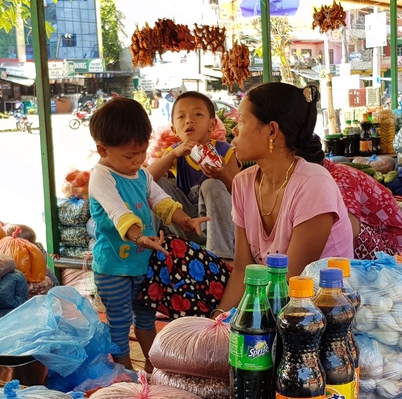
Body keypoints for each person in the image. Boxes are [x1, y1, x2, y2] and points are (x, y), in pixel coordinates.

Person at [211, 83, 354, 316]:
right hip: (272, 307)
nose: (234, 131)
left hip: (320, 315)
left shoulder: (313, 183)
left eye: (242, 121)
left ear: (271, 131)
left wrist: (243, 326)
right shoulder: (243, 182)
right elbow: (242, 270)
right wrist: (219, 318)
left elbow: (289, 284)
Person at [88, 97, 207, 371]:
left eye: (142, 153)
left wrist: (185, 220)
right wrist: (140, 238)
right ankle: (126, 373)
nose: (138, 161)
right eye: (130, 156)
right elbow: (119, 213)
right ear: (102, 150)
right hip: (113, 267)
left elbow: (162, 201)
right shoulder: (101, 176)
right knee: (119, 322)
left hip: (144, 263)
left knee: (145, 318)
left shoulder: (141, 174)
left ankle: (153, 368)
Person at [147, 91, 240, 260]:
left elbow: (241, 193)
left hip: (215, 225)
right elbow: (144, 180)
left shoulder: (223, 151)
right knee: (155, 183)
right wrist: (173, 154)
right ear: (174, 129)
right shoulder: (176, 152)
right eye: (181, 117)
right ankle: (154, 242)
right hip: (184, 223)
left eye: (197, 114)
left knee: (211, 184)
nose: (189, 120)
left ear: (212, 125)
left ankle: (220, 256)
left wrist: (223, 175)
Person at [305, 138, 402, 259]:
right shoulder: (319, 177)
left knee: (340, 226)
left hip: (396, 254)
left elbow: (348, 228)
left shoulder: (340, 178)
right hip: (380, 241)